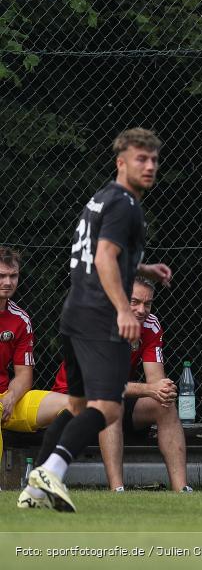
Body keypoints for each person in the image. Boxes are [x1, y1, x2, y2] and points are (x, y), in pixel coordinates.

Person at [21, 128, 173, 513]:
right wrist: (123, 308)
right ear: (121, 162)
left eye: (154, 159)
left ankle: (35, 487)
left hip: (75, 311)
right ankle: (50, 473)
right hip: (100, 318)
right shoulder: (125, 204)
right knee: (108, 408)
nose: (150, 166)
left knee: (78, 406)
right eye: (141, 158)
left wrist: (143, 268)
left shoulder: (102, 199)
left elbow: (101, 255)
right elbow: (105, 258)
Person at [51, 276, 190, 494]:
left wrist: (163, 389)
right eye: (134, 302)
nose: (142, 310)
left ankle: (182, 489)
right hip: (71, 402)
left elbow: (156, 382)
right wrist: (149, 389)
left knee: (164, 404)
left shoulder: (151, 325)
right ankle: (118, 489)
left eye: (148, 303)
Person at [0, 247, 70, 510]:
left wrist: (10, 399)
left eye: (13, 275)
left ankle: (45, 476)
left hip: (7, 400)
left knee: (74, 405)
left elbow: (23, 376)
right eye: (1, 275)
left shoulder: (21, 319)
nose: (8, 282)